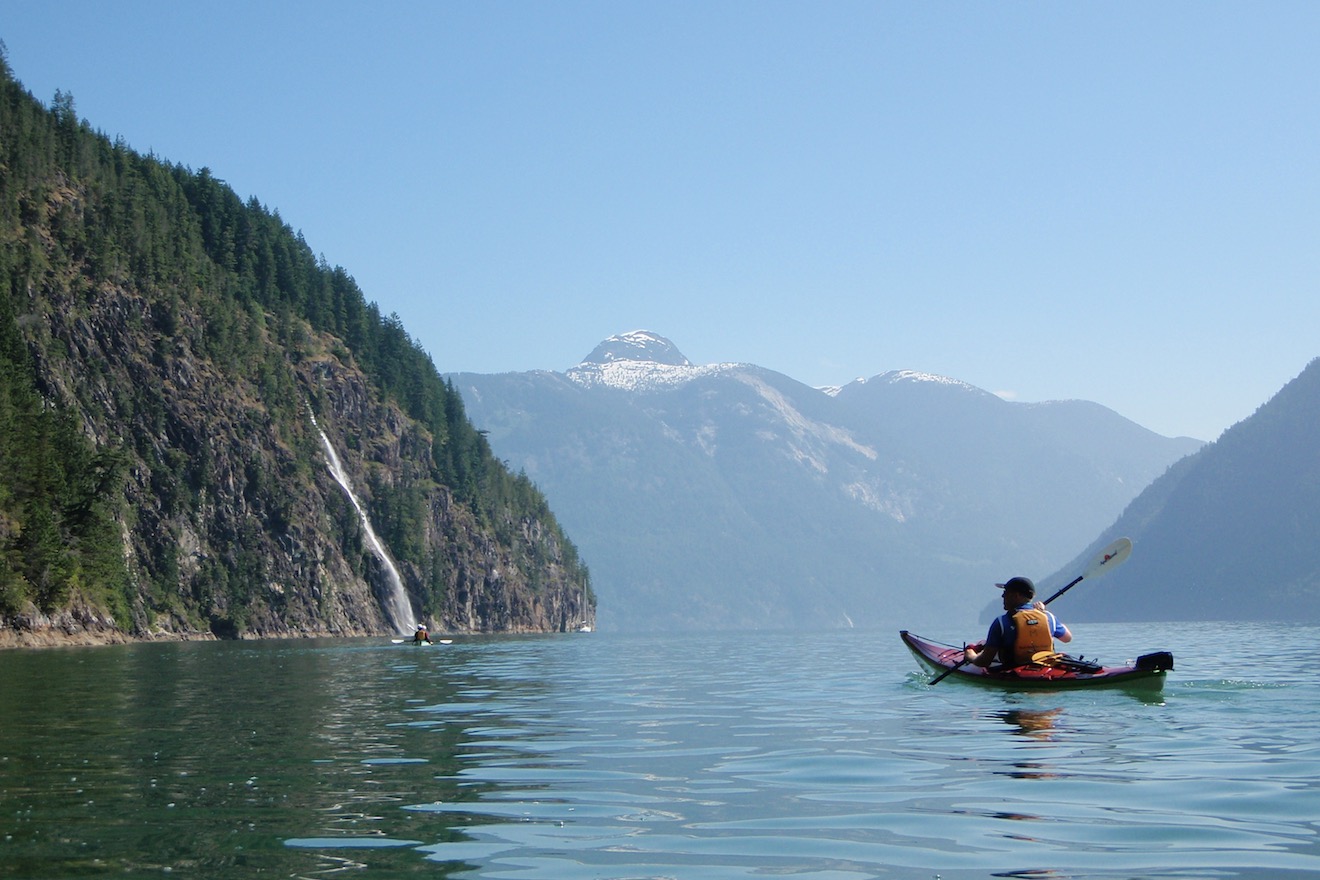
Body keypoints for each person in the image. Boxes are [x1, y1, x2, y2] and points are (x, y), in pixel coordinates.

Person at [964, 576, 1071, 668]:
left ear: (1016, 596)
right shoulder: (1048, 617)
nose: (1002, 596)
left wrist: (971, 656)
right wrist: (1044, 612)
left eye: (1005, 593)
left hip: (1013, 672)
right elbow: (1067, 638)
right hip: (1046, 666)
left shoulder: (1001, 622)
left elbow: (984, 662)